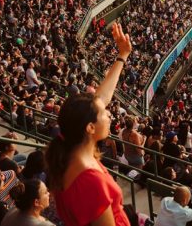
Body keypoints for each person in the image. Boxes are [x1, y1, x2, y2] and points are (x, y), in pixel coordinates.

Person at [45, 23, 132, 226]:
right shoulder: (89, 181)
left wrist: (123, 56)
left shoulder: (68, 153)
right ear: (90, 127)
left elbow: (101, 97)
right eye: (104, 113)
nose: (109, 113)